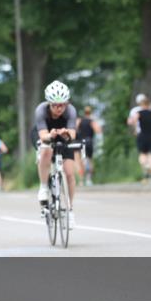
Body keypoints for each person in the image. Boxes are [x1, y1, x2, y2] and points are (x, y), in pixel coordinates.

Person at [35, 81, 79, 227]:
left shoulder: (70, 110)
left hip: (62, 136)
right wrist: (50, 135)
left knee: (69, 173)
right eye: (55, 105)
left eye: (62, 105)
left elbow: (72, 134)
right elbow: (42, 136)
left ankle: (70, 209)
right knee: (46, 149)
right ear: (49, 103)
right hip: (46, 134)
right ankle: (43, 186)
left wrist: (66, 135)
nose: (59, 108)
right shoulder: (41, 110)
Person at [129, 98, 151, 183]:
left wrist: (135, 130)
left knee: (142, 154)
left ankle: (147, 165)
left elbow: (133, 121)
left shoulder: (139, 113)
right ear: (149, 105)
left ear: (141, 105)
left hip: (142, 135)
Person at [75, 105, 102, 186]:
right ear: (91, 112)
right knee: (89, 160)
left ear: (84, 112)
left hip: (81, 142)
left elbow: (75, 129)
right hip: (89, 142)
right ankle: (89, 179)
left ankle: (81, 180)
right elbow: (98, 130)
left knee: (80, 161)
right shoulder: (92, 121)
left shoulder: (79, 120)